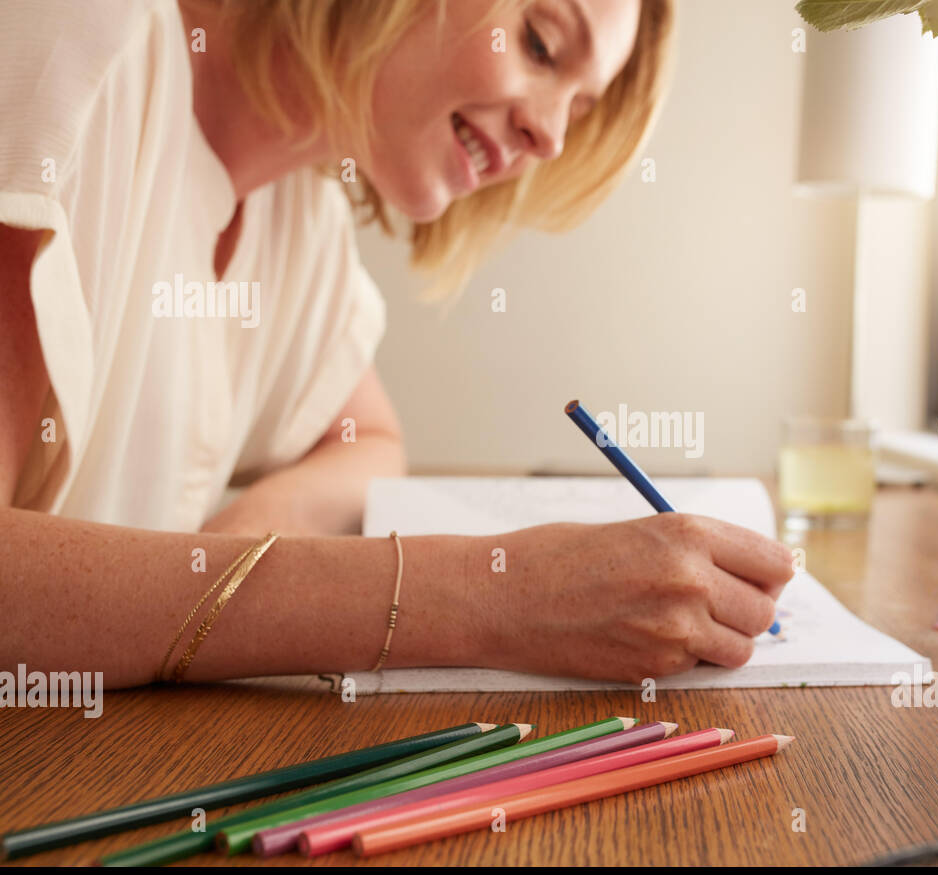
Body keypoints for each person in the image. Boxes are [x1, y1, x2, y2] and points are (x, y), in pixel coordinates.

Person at [0, 0, 793, 690]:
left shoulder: (301, 225)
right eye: (541, 45)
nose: (548, 136)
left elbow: (372, 441)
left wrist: (252, 537)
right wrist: (493, 598)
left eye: (579, 109)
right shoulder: (79, 51)